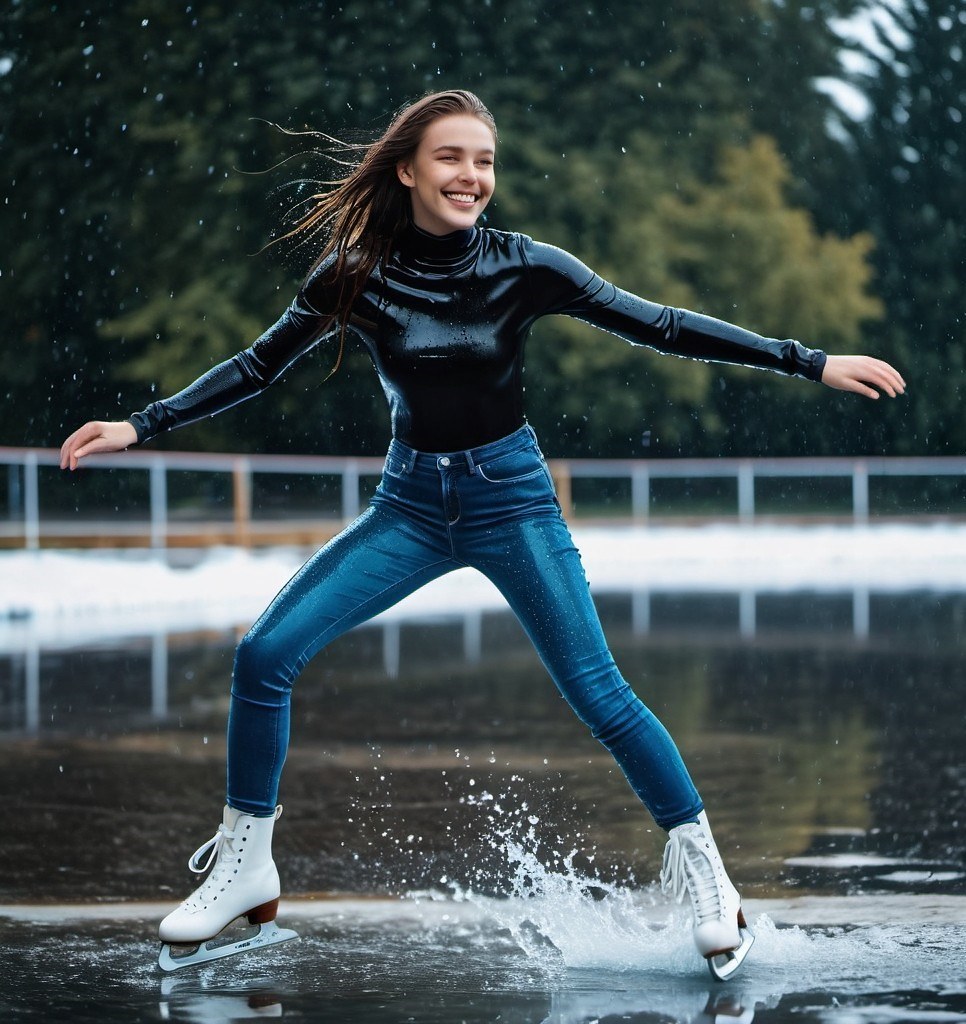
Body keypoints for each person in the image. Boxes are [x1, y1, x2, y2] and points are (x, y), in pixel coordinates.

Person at [61, 89, 905, 978]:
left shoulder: (525, 266)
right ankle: (245, 861)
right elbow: (258, 365)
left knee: (602, 696)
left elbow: (658, 323)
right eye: (452, 158)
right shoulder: (355, 273)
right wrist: (142, 425)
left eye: (485, 161)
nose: (472, 177)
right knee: (265, 653)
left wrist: (805, 360)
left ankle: (709, 878)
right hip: (411, 507)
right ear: (407, 169)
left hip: (511, 502)